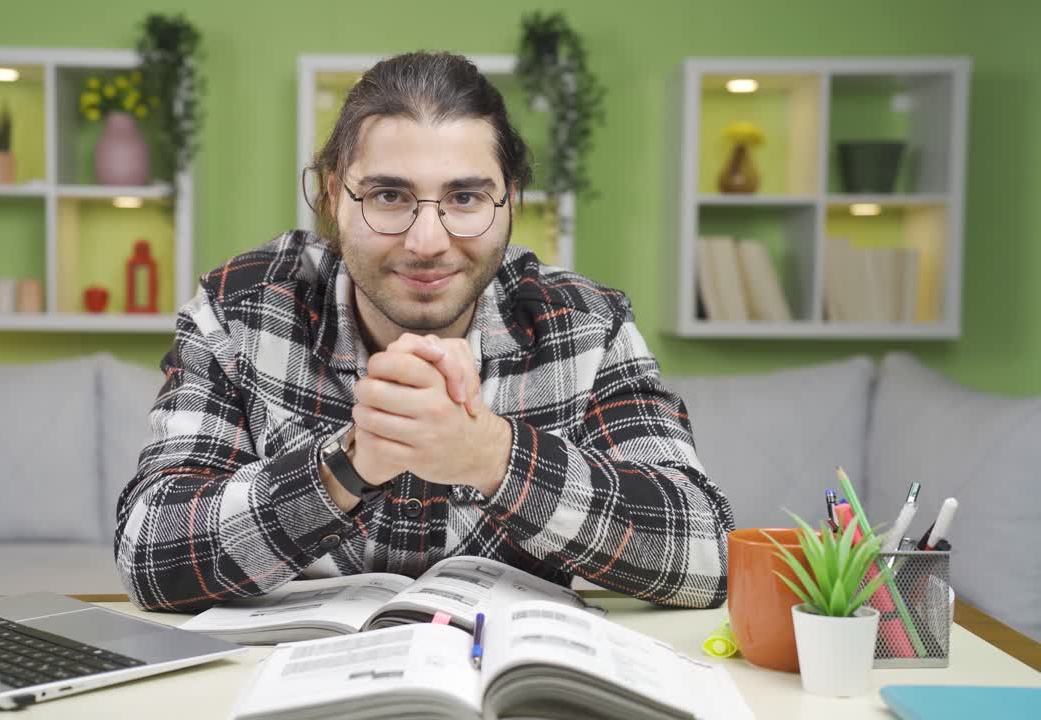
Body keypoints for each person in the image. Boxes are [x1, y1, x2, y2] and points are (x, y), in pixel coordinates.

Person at [115, 51, 735, 613]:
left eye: (465, 197)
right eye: (389, 196)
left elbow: (710, 556)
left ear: (510, 200)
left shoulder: (586, 325)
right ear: (334, 196)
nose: (427, 242)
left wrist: (492, 454)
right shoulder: (238, 312)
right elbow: (148, 553)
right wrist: (347, 465)